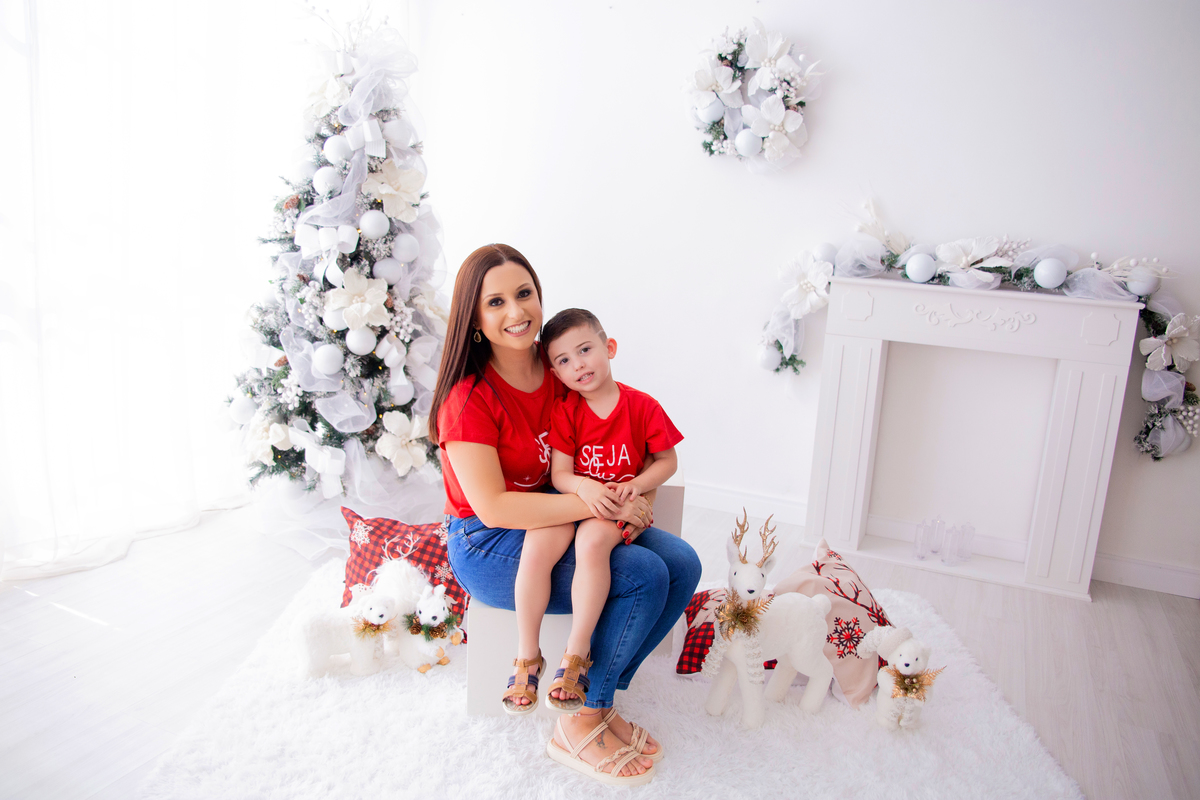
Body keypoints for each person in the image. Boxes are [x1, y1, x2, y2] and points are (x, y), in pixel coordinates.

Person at [430, 244, 701, 786]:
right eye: (496, 302)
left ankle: (595, 696)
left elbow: (617, 434)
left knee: (682, 564)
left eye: (524, 293)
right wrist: (598, 502)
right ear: (475, 320)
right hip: (490, 539)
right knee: (643, 576)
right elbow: (495, 505)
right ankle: (580, 720)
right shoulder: (468, 399)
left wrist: (637, 490)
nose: (517, 312)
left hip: (568, 519)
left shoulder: (559, 365)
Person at [509, 308, 681, 719]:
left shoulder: (642, 406)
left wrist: (637, 485)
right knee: (537, 543)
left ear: (610, 347)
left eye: (585, 350)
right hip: (573, 500)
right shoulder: (566, 411)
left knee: (590, 543)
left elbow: (666, 461)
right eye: (564, 361)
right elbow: (562, 473)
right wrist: (584, 486)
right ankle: (526, 657)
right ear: (555, 372)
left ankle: (577, 651)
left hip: (613, 512)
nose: (578, 365)